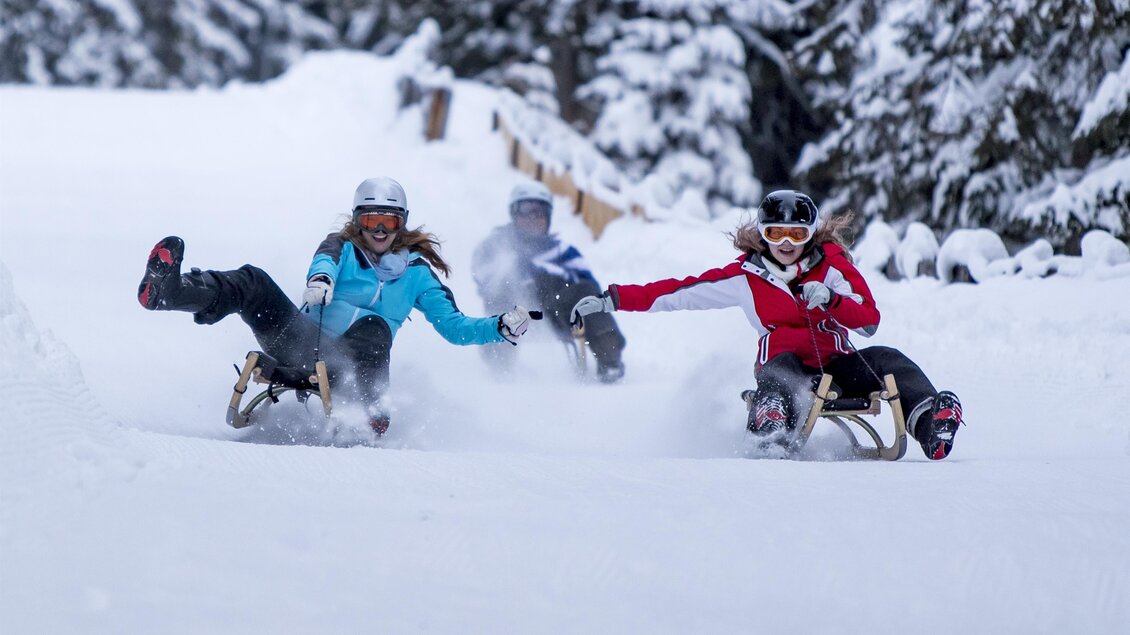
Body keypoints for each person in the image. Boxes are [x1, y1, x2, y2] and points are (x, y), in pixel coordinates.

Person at [569, 190, 964, 460]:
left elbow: (869, 321)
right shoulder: (746, 277)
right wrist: (613, 298)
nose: (787, 242)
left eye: (797, 233)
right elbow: (680, 291)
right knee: (780, 370)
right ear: (763, 234)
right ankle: (771, 419)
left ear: (810, 234)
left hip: (839, 365)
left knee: (888, 358)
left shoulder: (831, 266)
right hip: (788, 364)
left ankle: (931, 422)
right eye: (777, 233)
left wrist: (832, 299)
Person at [138, 177, 532, 435]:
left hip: (355, 369)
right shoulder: (343, 247)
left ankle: (371, 409)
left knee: (375, 326)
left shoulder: (418, 274)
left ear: (402, 225)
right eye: (372, 220)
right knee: (253, 280)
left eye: (389, 223)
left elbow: (454, 326)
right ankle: (172, 292)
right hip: (303, 341)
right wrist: (320, 281)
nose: (379, 231)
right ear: (358, 221)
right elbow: (324, 260)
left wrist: (498, 326)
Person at [471, 181, 626, 383]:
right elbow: (484, 279)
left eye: (539, 212)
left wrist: (548, 277)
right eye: (526, 210)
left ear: (549, 216)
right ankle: (499, 370)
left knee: (587, 293)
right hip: (514, 309)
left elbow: (588, 283)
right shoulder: (497, 245)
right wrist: (517, 275)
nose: (533, 218)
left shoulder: (563, 252)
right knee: (505, 286)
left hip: (557, 311)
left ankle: (610, 360)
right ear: (514, 213)